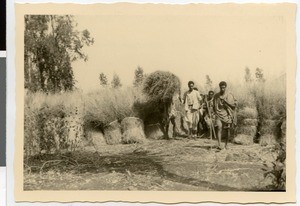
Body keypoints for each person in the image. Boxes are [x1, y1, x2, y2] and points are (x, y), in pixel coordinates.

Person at [213, 81, 237, 149]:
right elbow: (214, 106)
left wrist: (226, 103)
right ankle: (219, 144)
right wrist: (214, 112)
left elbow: (234, 106)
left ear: (225, 87)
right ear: (219, 87)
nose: (222, 89)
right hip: (218, 114)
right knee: (219, 128)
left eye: (223, 87)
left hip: (227, 114)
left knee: (227, 130)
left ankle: (226, 145)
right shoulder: (216, 96)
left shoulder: (229, 95)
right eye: (221, 87)